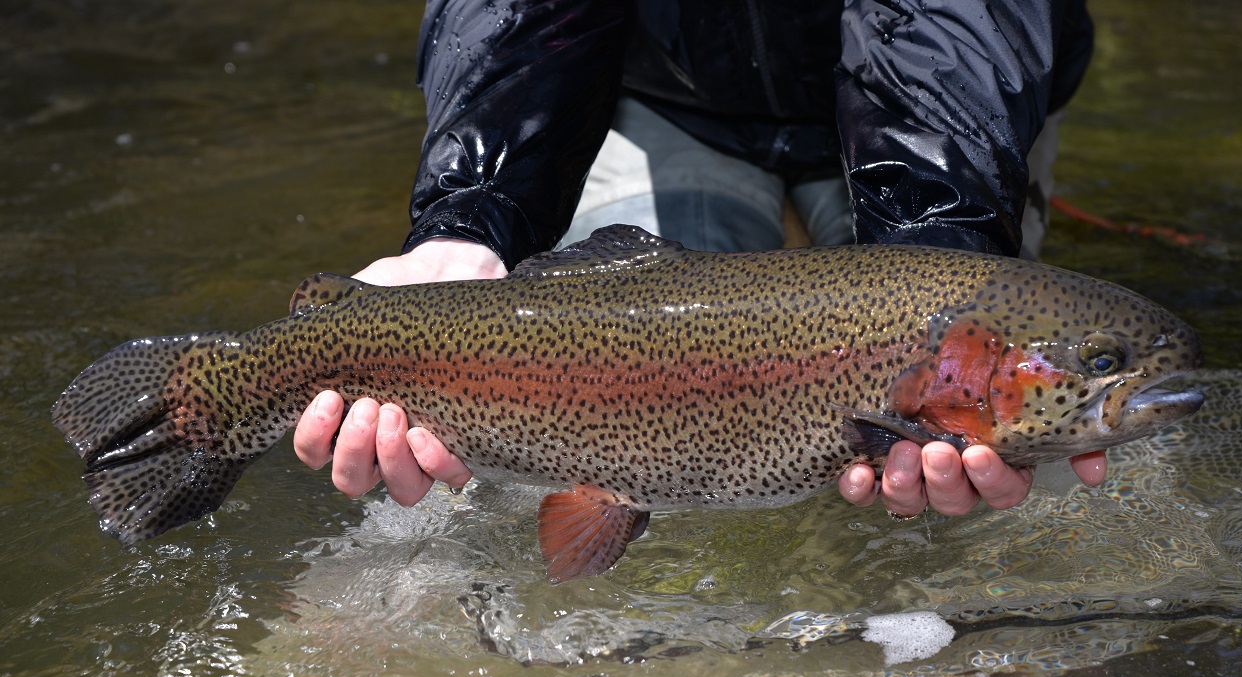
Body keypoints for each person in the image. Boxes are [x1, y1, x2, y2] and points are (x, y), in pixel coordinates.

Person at [292, 0, 1107, 520]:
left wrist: (942, 243)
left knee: (1012, 501)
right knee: (581, 433)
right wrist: (469, 218)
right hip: (659, 93)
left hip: (957, 106)